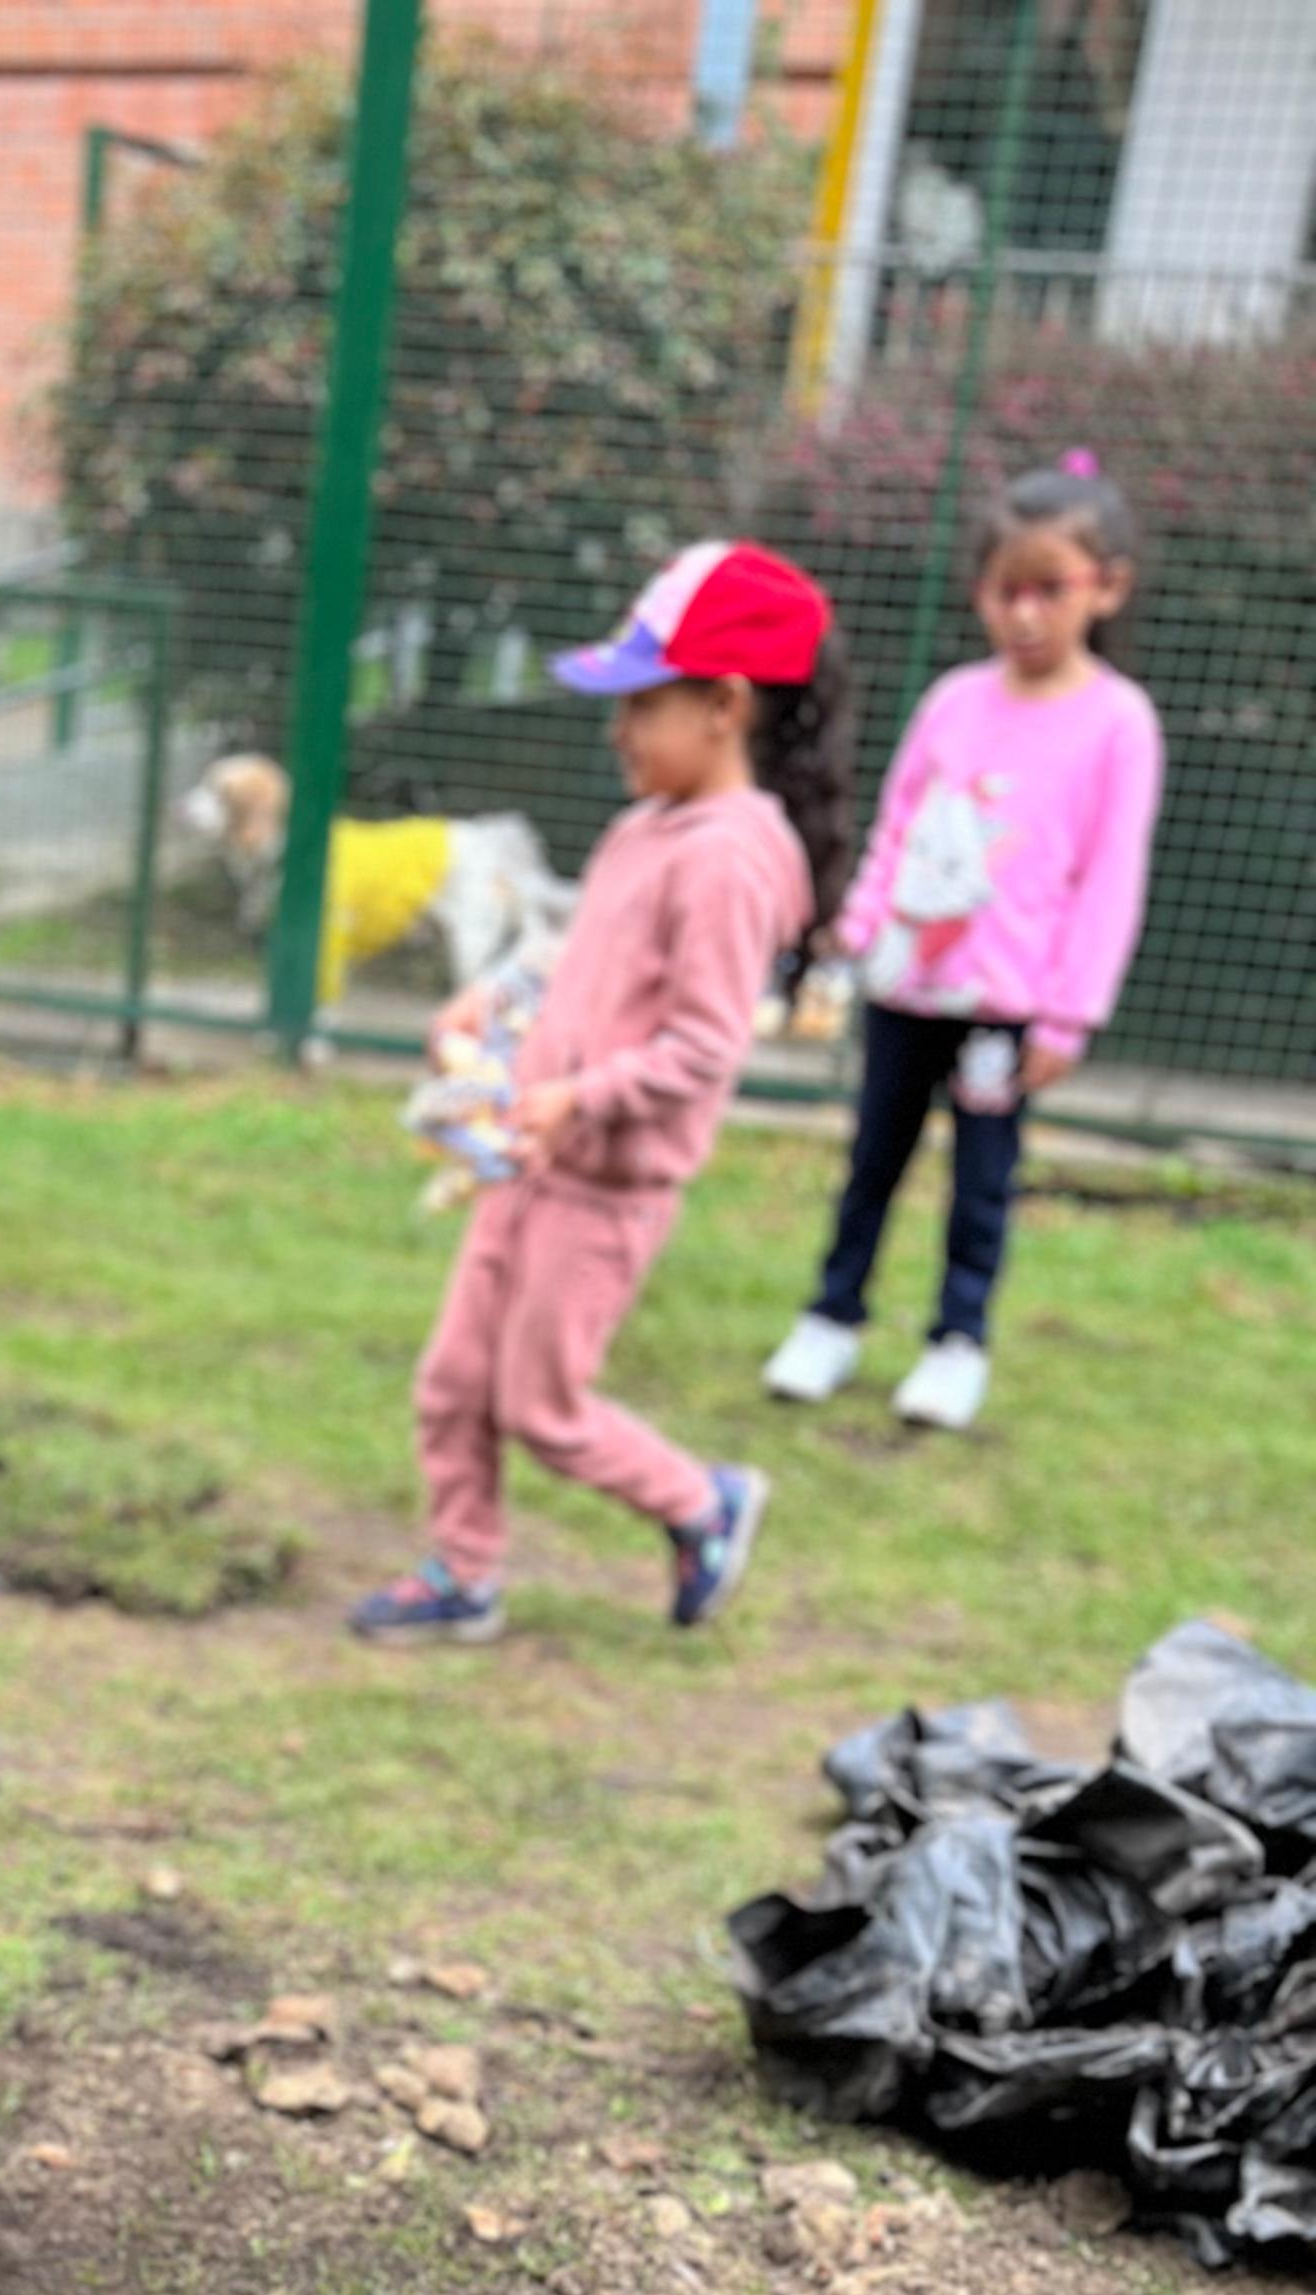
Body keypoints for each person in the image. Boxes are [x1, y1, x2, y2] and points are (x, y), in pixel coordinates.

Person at [353, 539, 856, 1645]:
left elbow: (705, 1044)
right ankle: (462, 1573)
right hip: (533, 1161)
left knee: (541, 1404)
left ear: (724, 704)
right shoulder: (646, 829)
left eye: (642, 706)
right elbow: (576, 955)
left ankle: (702, 1501)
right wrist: (492, 998)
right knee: (452, 1383)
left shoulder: (732, 858)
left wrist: (582, 1098)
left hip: (605, 1187)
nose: (619, 731)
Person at [765, 453, 1161, 1432]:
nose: (1024, 615)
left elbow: (1111, 881)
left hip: (1008, 1008)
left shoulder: (1120, 723)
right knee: (873, 1161)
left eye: (1049, 591)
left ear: (1105, 588)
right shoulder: (951, 700)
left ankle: (956, 1341)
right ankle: (832, 1316)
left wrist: (1069, 1014)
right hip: (907, 988)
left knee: (982, 1179)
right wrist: (856, 931)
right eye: (1004, 591)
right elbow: (900, 823)